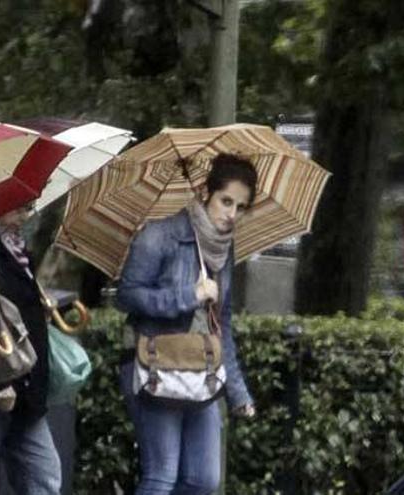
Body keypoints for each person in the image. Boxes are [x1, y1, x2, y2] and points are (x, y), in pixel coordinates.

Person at [116, 154, 257, 495]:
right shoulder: (159, 235)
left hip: (201, 371)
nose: (231, 214)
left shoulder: (224, 250)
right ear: (206, 193)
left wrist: (238, 393)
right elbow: (127, 297)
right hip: (156, 367)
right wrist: (188, 296)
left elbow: (222, 325)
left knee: (203, 479)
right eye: (226, 201)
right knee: (162, 475)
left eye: (241, 207)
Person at [0, 202, 62, 494]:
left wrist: (37, 308)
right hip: (1, 383)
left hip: (26, 388)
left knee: (45, 477)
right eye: (18, 208)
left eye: (29, 208)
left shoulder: (18, 249)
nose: (25, 216)